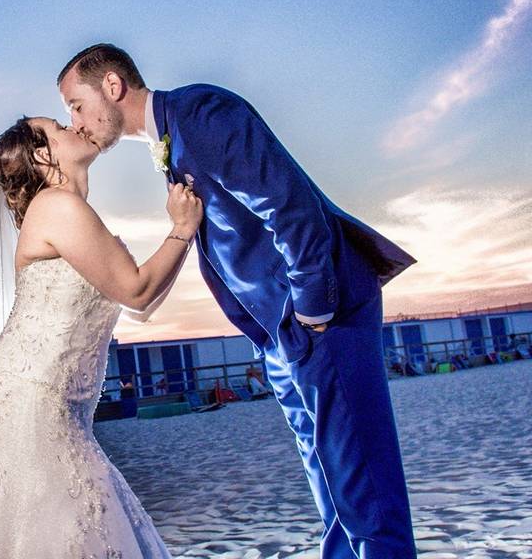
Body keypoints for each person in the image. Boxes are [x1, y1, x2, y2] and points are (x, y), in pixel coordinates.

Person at [58, 43, 418, 559]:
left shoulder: (202, 112)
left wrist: (313, 309)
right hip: (278, 333)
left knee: (365, 484)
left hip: (319, 317)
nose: (76, 121)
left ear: (112, 87)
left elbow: (289, 207)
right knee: (331, 483)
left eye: (76, 104)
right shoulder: (171, 139)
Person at [0, 116, 203, 558]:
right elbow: (136, 289)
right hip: (32, 399)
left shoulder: (64, 210)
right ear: (41, 155)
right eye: (58, 125)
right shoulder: (56, 205)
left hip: (46, 400)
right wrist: (182, 229)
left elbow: (141, 304)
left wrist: (181, 236)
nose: (74, 125)